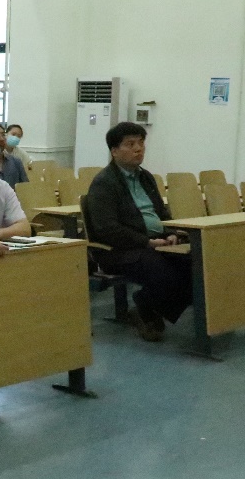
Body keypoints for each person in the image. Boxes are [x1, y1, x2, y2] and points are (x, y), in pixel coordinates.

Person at [83, 122, 193, 341]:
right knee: (165, 272)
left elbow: (162, 213)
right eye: (130, 144)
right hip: (119, 250)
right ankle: (146, 307)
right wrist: (147, 242)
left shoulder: (146, 177)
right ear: (114, 151)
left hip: (155, 243)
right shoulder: (104, 183)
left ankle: (147, 305)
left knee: (195, 265)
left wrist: (170, 232)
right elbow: (107, 229)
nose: (138, 149)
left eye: (141, 143)